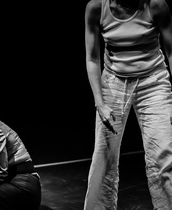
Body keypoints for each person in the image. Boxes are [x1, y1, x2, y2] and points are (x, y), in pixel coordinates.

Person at [84, 0, 172, 209]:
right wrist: (100, 103)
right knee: (103, 156)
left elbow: (171, 51)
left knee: (163, 156)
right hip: (113, 82)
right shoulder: (97, 6)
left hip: (153, 81)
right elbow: (92, 59)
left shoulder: (156, 5)